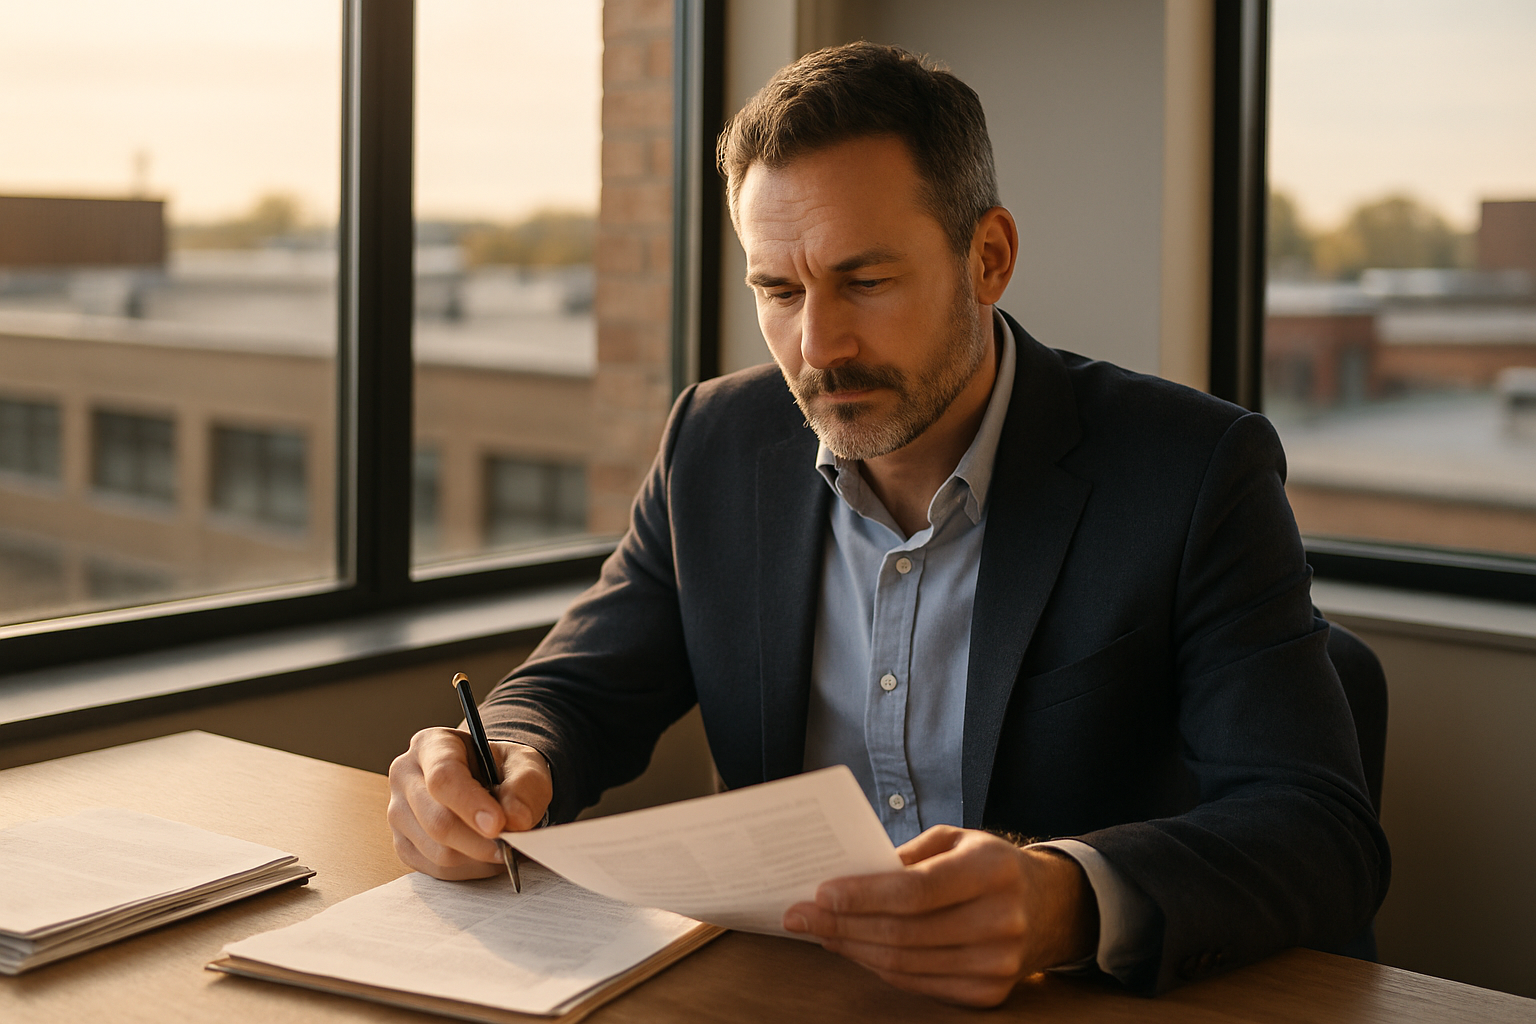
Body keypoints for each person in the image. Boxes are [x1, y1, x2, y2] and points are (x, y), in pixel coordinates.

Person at [388, 42, 1388, 1006]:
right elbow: (583, 687)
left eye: (865, 281)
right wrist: (499, 758)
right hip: (793, 996)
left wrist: (1064, 899)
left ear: (987, 258)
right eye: (777, 290)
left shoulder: (1191, 469)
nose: (817, 345)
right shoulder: (716, 441)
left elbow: (1316, 831)